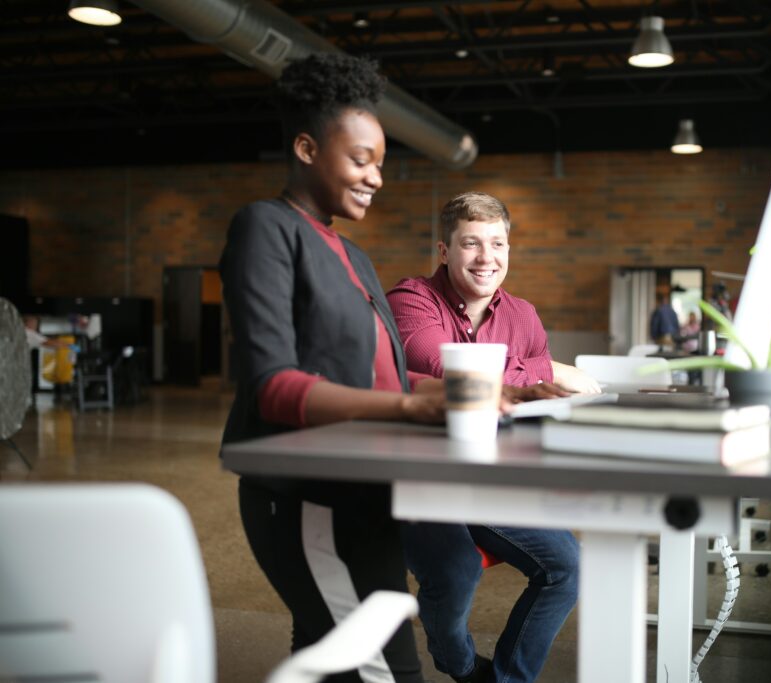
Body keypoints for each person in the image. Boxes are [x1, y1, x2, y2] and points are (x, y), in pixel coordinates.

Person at [219, 53, 450, 683]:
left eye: (379, 162)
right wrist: (411, 408)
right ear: (305, 148)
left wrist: (492, 390)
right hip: (307, 494)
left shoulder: (352, 253)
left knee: (333, 658)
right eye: (360, 159)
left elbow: (388, 380)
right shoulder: (266, 228)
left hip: (362, 488)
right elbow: (274, 388)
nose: (376, 177)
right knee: (387, 669)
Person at [386, 191, 593, 683]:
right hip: (422, 478)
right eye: (471, 244)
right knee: (456, 572)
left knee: (568, 568)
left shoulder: (523, 315)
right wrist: (547, 369)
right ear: (444, 250)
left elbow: (541, 400)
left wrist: (538, 383)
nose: (487, 258)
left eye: (497, 244)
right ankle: (461, 668)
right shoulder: (411, 299)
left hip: (489, 477)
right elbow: (447, 367)